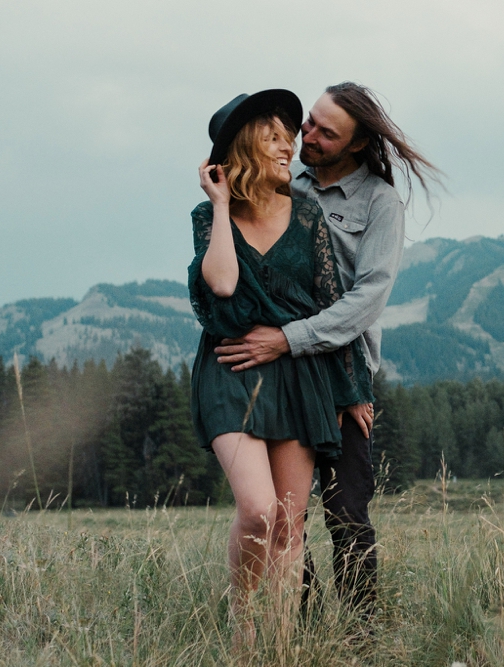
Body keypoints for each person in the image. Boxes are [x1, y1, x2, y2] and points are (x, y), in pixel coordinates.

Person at [212, 82, 442, 619]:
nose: (306, 136)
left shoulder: (380, 203)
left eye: (324, 132)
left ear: (357, 145)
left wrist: (343, 378)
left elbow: (367, 300)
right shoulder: (286, 181)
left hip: (338, 365)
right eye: (309, 122)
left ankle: (361, 634)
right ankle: (306, 622)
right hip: (280, 372)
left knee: (345, 508)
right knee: (284, 514)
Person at [188, 89, 373, 644]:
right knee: (259, 511)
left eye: (287, 137)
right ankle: (246, 638)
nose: (287, 146)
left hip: (300, 375)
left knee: (292, 524)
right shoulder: (207, 216)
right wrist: (221, 206)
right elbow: (221, 286)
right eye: (272, 137)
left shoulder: (308, 213)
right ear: (244, 146)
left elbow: (330, 302)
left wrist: (352, 390)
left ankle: (281, 643)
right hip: (232, 370)